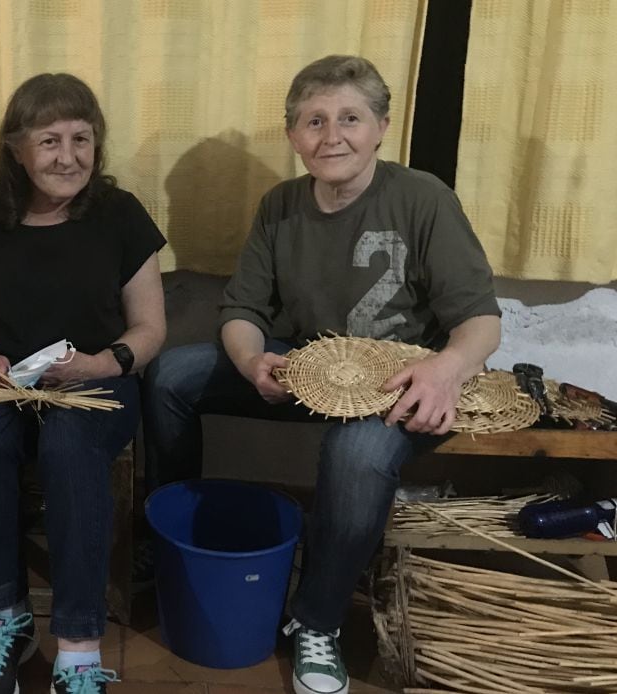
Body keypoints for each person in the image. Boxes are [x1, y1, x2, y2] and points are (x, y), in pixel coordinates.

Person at [142, 55, 501, 694]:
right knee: (172, 374)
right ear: (293, 135)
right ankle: (172, 533)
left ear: (382, 127)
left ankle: (319, 619)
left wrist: (445, 370)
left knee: (358, 455)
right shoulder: (280, 204)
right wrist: (253, 360)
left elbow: (480, 321)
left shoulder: (423, 198)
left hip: (397, 382)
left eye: (350, 118)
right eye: (314, 120)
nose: (331, 135)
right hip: (309, 368)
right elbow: (244, 310)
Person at [0, 73, 166, 694]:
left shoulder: (119, 215)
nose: (68, 157)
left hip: (94, 382)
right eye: (50, 140)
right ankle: (5, 618)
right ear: (15, 148)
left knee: (67, 441)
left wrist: (101, 361)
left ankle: (80, 645)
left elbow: (150, 329)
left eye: (81, 139)